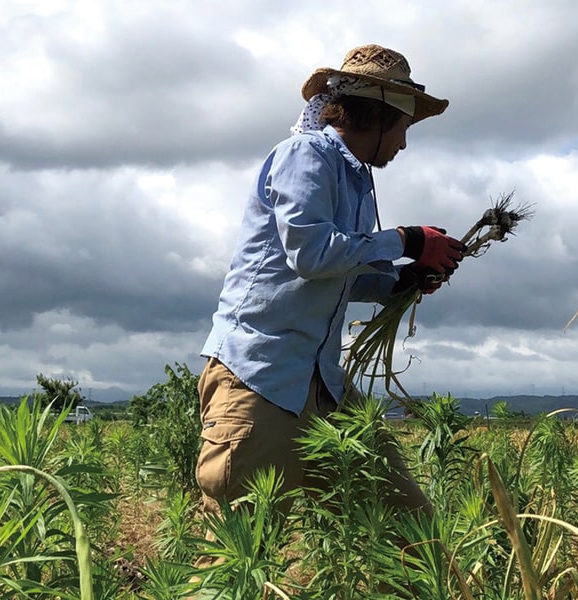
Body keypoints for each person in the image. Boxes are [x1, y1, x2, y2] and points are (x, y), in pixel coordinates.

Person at [196, 44, 465, 524]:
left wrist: (402, 278)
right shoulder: (305, 155)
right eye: (403, 128)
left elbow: (342, 275)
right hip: (261, 379)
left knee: (409, 527)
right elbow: (312, 254)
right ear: (379, 116)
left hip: (321, 384)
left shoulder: (356, 179)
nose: (403, 143)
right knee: (240, 553)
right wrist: (405, 239)